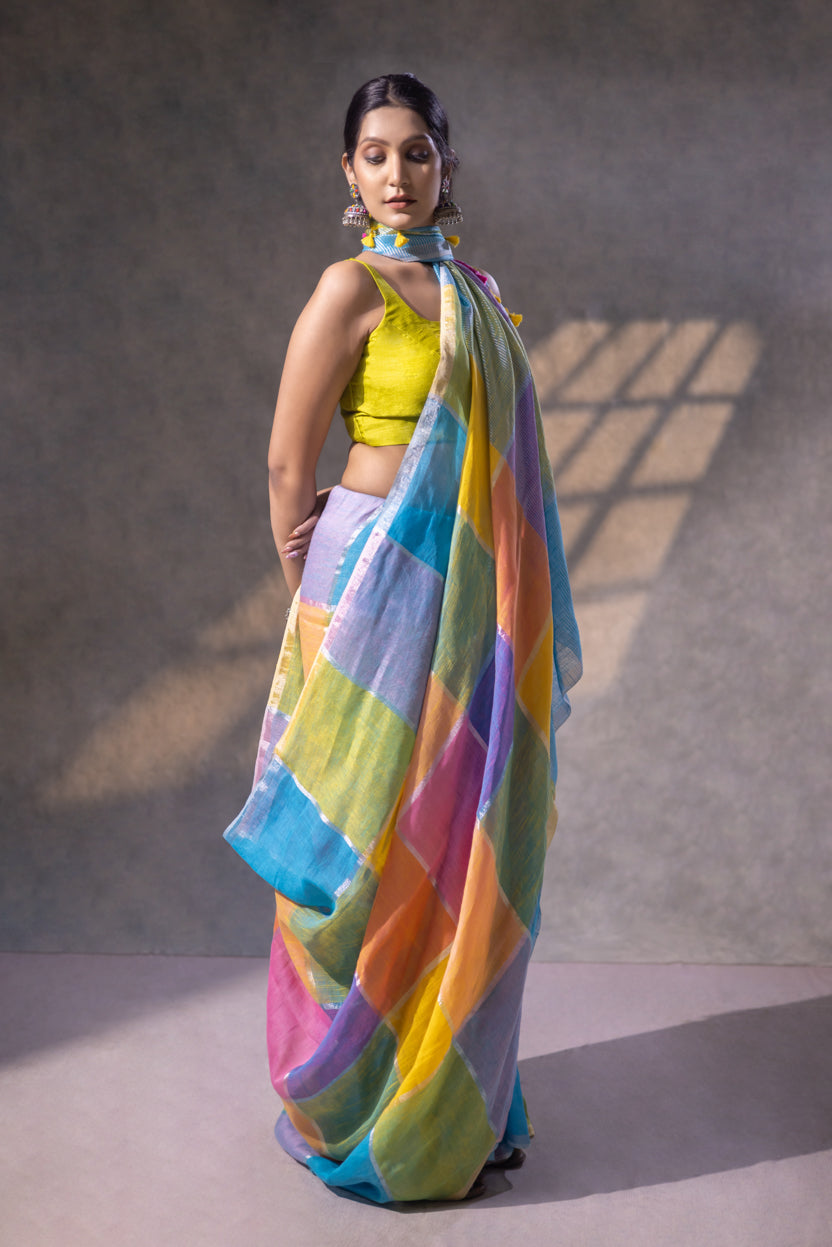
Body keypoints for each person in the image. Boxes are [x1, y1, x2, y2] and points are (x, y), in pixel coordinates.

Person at [224, 73, 581, 1204]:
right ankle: (353, 1093)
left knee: (456, 830)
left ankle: (449, 1095)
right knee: (360, 838)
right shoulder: (349, 288)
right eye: (375, 154)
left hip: (467, 599)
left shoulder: (472, 292)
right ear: (348, 172)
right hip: (364, 584)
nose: (397, 173)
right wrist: (323, 595)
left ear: (444, 166)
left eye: (416, 153)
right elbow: (290, 468)